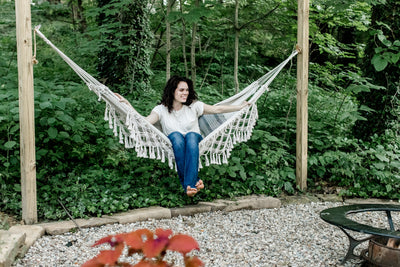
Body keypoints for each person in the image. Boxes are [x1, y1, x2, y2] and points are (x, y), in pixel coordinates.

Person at [116, 75, 249, 197]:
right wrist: (128, 106)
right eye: (181, 90)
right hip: (175, 143)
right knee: (176, 136)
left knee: (191, 136)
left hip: (194, 140)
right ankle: (193, 182)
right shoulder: (160, 110)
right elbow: (144, 122)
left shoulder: (194, 106)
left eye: (187, 90)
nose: (185, 93)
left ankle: (188, 186)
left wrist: (239, 107)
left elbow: (218, 109)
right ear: (172, 90)